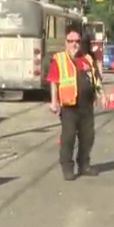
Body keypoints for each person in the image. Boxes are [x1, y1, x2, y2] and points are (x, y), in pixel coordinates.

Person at [48, 24, 103, 180]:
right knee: (69, 137)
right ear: (65, 42)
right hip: (69, 107)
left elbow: (95, 79)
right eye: (71, 41)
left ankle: (84, 164)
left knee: (88, 137)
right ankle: (67, 167)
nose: (74, 44)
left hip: (86, 106)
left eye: (77, 41)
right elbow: (54, 81)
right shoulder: (59, 59)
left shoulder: (86, 59)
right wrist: (54, 101)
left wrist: (102, 95)